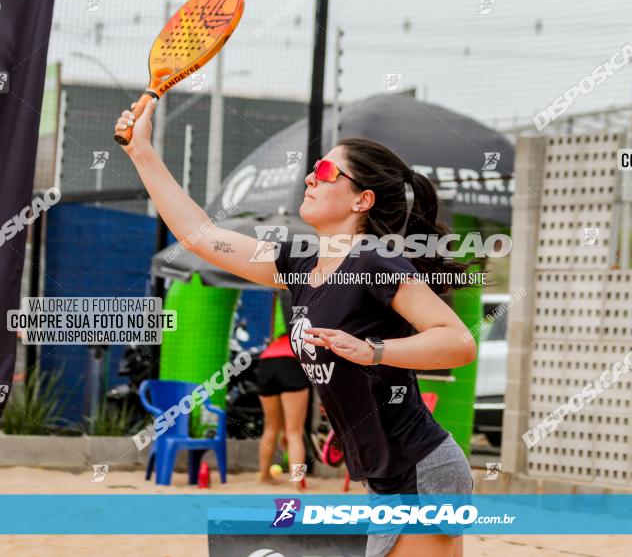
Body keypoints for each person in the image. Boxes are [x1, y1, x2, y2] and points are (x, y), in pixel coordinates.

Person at [116, 100, 477, 557]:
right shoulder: (300, 261)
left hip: (420, 468)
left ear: (361, 199)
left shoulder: (372, 260)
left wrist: (375, 352)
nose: (310, 176)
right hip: (384, 478)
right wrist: (142, 153)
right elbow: (200, 235)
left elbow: (458, 341)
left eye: (326, 172)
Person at [255, 290, 311, 489]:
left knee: (270, 428)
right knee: (294, 431)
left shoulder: (279, 309)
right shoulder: (306, 307)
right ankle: (297, 483)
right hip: (290, 360)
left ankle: (264, 476)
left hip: (267, 361)